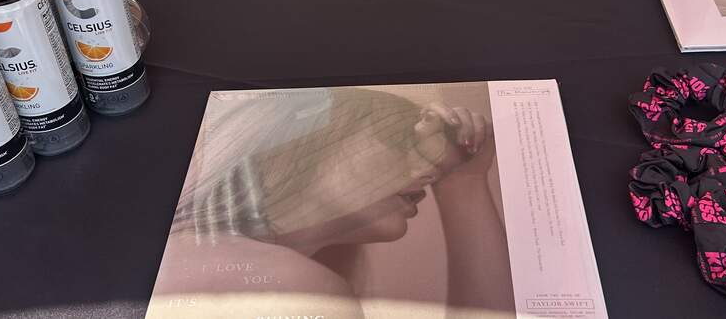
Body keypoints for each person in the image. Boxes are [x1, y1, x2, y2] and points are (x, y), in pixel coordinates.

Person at [151, 88, 514, 318]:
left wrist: (463, 180)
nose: (432, 167)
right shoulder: (297, 286)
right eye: (401, 139)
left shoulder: (186, 252)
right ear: (305, 142)